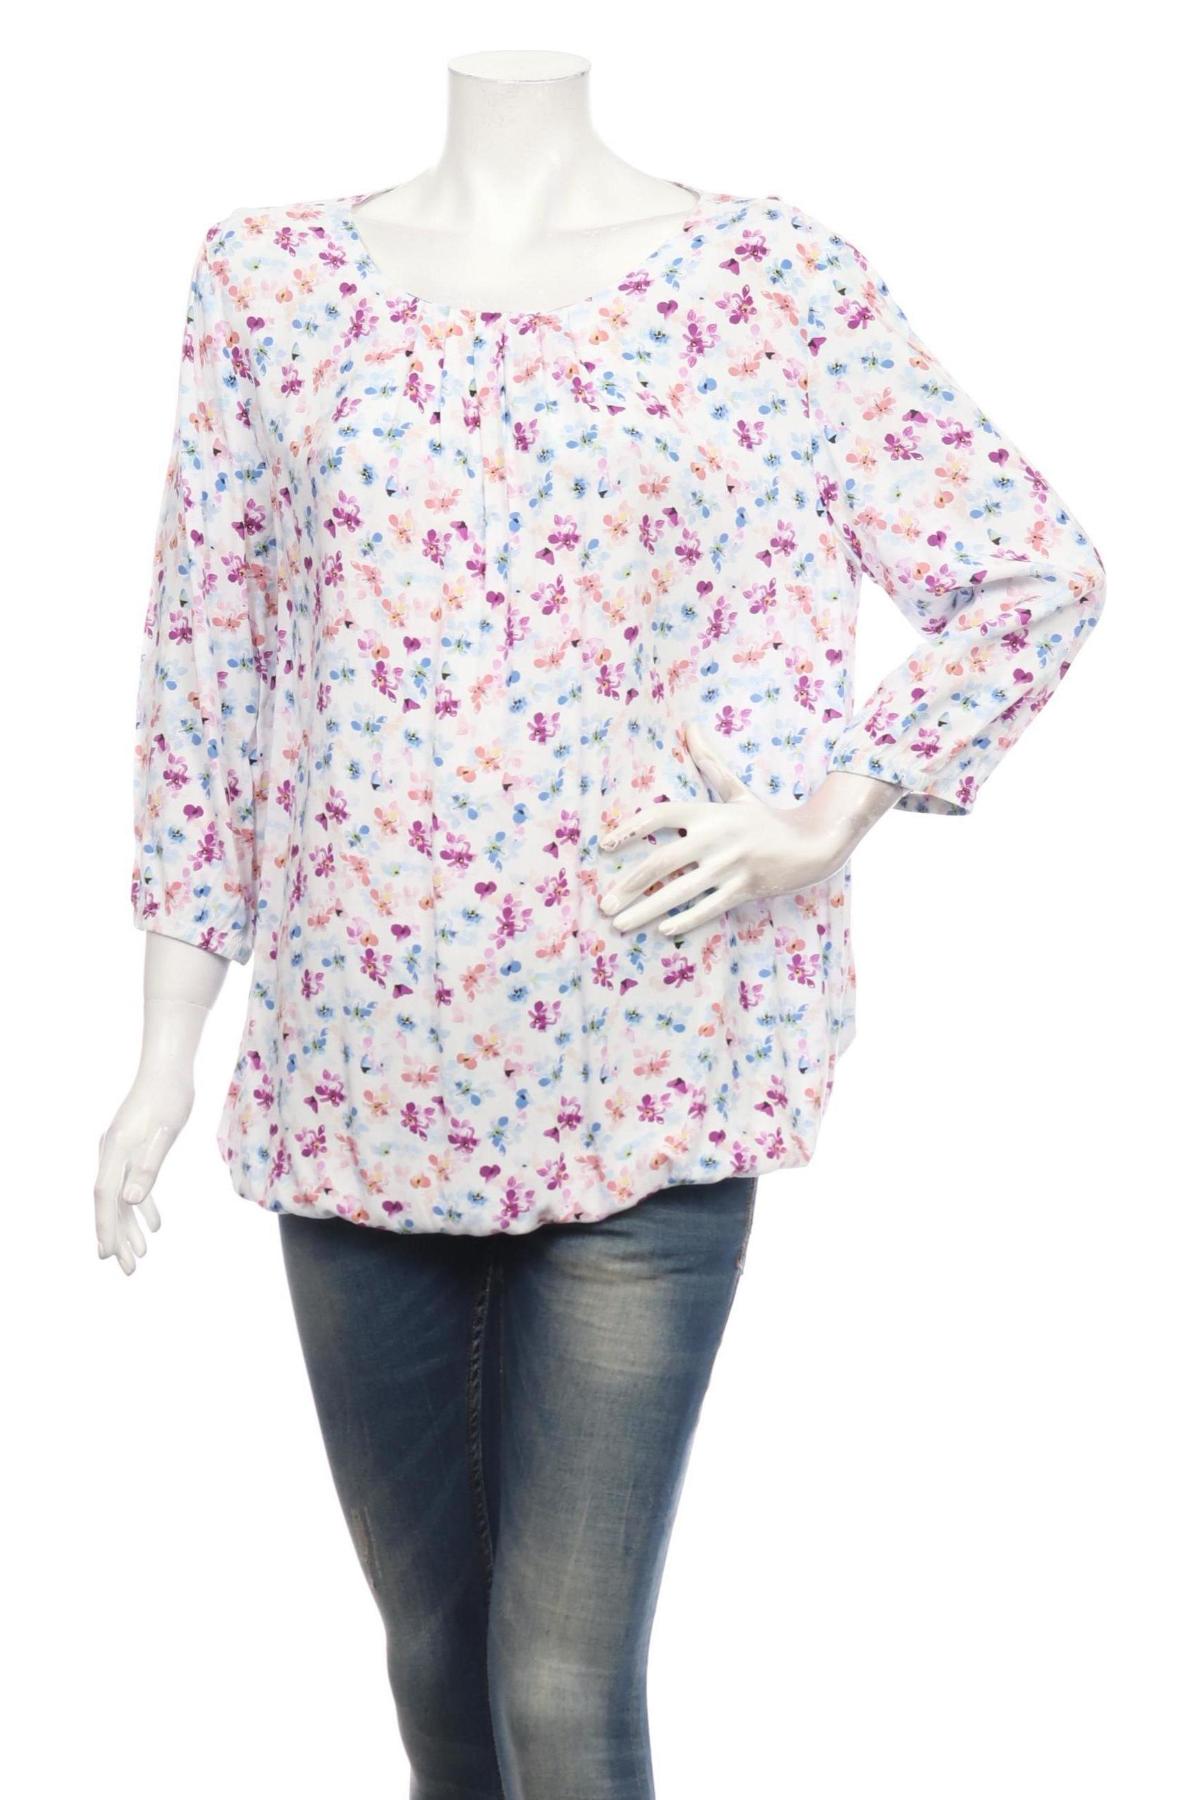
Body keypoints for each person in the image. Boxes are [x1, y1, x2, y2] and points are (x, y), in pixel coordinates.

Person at [97, 48, 1105, 1800]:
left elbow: (1029, 568)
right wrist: (164, 1053)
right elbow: (209, 669)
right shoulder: (266, 285)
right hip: (354, 1078)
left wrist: (834, 812)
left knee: (563, 1684)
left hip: (650, 1063)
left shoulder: (771, 283)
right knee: (433, 1658)